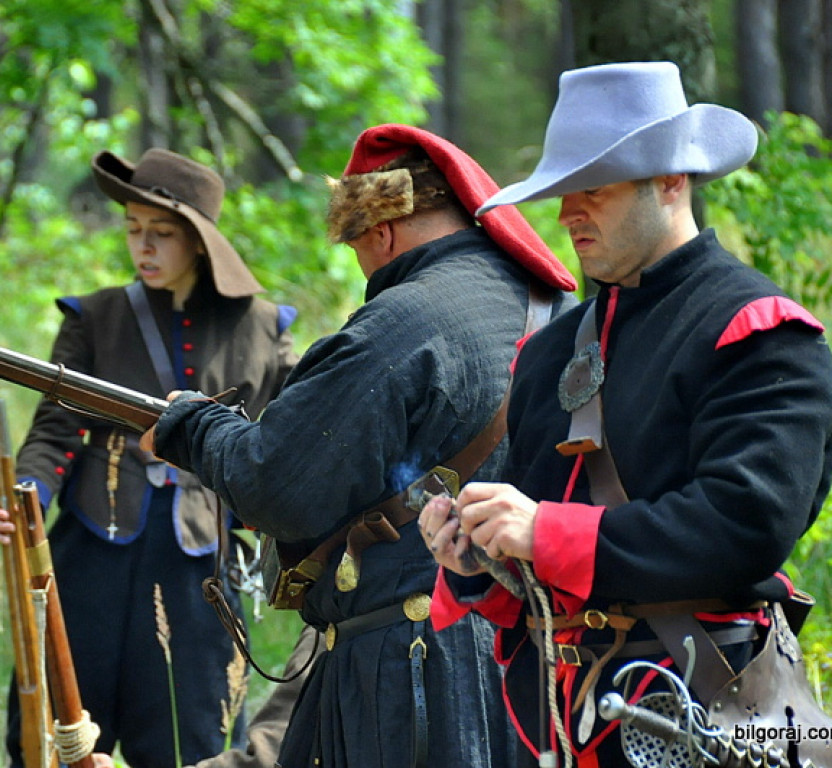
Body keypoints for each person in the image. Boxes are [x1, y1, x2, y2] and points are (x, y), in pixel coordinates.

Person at [420, 61, 832, 768]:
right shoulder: (550, 351)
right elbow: (540, 549)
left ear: (671, 182)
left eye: (594, 190)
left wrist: (546, 531)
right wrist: (479, 556)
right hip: (566, 720)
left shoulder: (756, 328)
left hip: (715, 710)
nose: (567, 212)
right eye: (562, 192)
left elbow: (744, 525)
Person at [147, 124, 578, 768]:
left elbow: (276, 484)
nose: (361, 263)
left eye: (357, 243)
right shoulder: (550, 310)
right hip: (528, 652)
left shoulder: (401, 322)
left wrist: (194, 426)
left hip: (412, 665)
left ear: (381, 231)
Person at [0, 147, 299, 768]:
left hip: (200, 573)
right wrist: (26, 496)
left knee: (192, 744)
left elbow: (285, 442)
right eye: (133, 230)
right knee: (56, 740)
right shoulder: (94, 319)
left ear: (200, 242)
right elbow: (54, 432)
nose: (143, 248)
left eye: (162, 233)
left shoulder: (263, 328)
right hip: (89, 563)